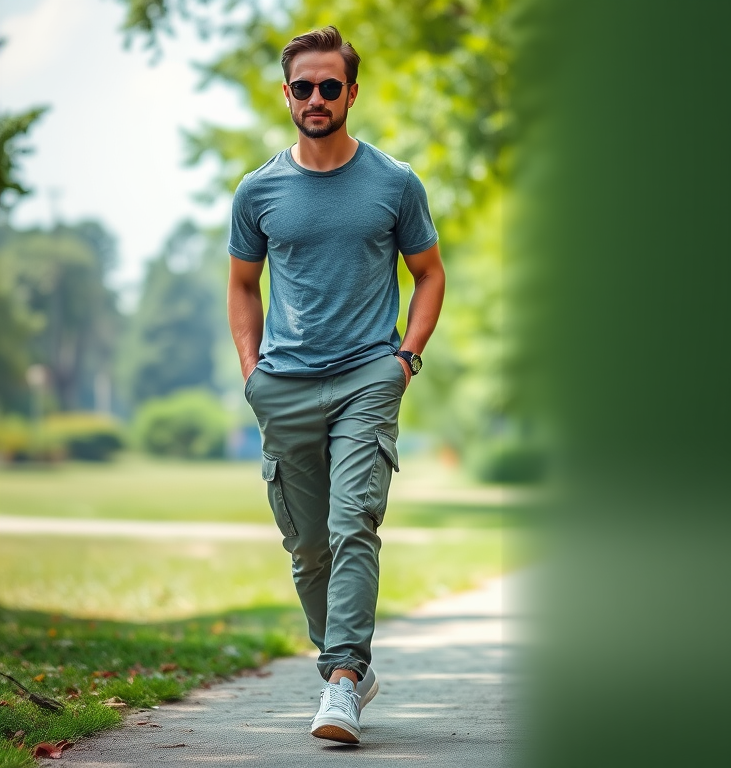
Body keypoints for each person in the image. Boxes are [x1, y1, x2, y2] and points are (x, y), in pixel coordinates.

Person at [226, 25, 445, 745]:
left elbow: (429, 274)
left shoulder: (394, 183)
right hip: (282, 386)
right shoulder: (258, 191)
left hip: (366, 379)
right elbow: (242, 285)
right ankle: (342, 664)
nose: (315, 98)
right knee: (308, 546)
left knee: (355, 524)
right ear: (286, 94)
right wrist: (252, 373)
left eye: (329, 86)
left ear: (351, 92)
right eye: (303, 86)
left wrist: (405, 358)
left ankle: (343, 682)